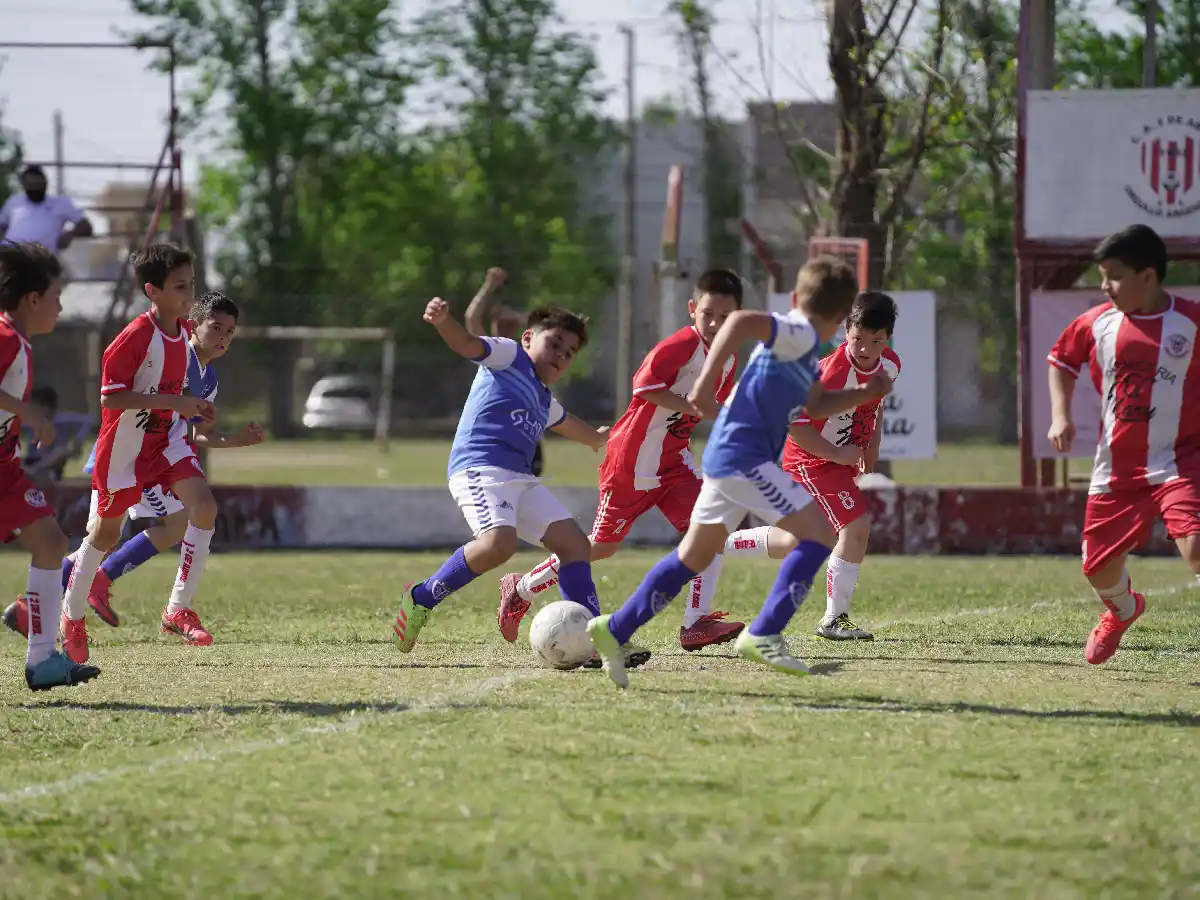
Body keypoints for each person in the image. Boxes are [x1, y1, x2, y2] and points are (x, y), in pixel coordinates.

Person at [586, 258, 892, 689]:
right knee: (821, 535)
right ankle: (765, 632)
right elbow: (742, 322)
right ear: (843, 319)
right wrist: (703, 385)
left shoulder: (803, 352)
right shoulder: (799, 330)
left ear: (794, 296)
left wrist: (863, 393)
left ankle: (614, 629)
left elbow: (814, 406)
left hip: (726, 459)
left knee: (693, 556)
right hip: (745, 459)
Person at [497, 269, 747, 653]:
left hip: (674, 462)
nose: (715, 324)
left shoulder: (728, 359)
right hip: (631, 461)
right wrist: (695, 406)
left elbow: (709, 409)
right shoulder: (680, 346)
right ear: (692, 309)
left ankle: (696, 622)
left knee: (709, 529)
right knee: (598, 547)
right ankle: (522, 588)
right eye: (708, 314)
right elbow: (644, 386)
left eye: (725, 317)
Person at [3, 290, 264, 636]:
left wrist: (234, 440)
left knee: (187, 517)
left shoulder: (208, 379)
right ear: (193, 326)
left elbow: (191, 432)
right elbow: (134, 403)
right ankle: (53, 601)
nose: (223, 337)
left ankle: (169, 607)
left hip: (162, 455)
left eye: (230, 332)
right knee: (108, 536)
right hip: (132, 453)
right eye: (216, 327)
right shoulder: (174, 353)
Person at [390, 298, 625, 659]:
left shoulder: (543, 397)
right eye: (555, 343)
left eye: (570, 352)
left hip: (520, 477)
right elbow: (468, 344)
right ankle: (421, 597)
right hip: (480, 468)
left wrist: (596, 439)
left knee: (576, 546)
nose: (561, 355)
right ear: (529, 337)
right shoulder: (509, 356)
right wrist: (443, 322)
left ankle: (597, 640)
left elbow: (566, 422)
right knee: (498, 545)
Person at [1047, 223, 1200, 664]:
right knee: (1097, 568)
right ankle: (1123, 609)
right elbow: (1060, 361)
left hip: (1181, 459)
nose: (1104, 286)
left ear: (1147, 276)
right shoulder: (1098, 324)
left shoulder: (1189, 323)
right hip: (1117, 466)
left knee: (1195, 548)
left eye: (1113, 275)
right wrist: (1061, 415)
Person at [57, 243, 217, 663]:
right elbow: (111, 400)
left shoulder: (183, 331)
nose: (189, 294)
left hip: (163, 444)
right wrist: (175, 403)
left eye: (192, 284)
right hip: (125, 449)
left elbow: (172, 391)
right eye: (181, 286)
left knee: (204, 508)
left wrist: (191, 404)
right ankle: (71, 616)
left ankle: (178, 608)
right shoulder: (134, 336)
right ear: (153, 290)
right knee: (104, 537)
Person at [723, 291, 901, 641]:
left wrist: (872, 444)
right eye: (857, 339)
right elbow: (797, 426)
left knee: (796, 541)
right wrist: (837, 455)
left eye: (875, 341)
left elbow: (876, 405)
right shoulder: (832, 374)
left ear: (887, 339)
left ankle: (719, 542)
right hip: (810, 458)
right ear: (845, 332)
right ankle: (834, 619)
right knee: (855, 527)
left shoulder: (891, 363)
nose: (865, 348)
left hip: (834, 458)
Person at [0, 241, 99, 690]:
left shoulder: (16, 340)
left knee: (51, 539)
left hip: (5, 468)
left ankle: (41, 662)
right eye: (56, 299)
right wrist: (29, 413)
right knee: (51, 539)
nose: (60, 309)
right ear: (32, 299)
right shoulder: (4, 337)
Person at [0, 165, 94, 252]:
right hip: (12, 255)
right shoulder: (14, 201)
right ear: (24, 186)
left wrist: (70, 235)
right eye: (31, 185)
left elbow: (86, 226)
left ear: (45, 184)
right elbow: (2, 225)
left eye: (37, 184)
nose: (35, 189)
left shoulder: (60, 203)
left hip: (43, 257)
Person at [21, 385, 93, 485]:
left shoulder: (60, 420)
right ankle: (30, 471)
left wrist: (78, 442)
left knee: (61, 451)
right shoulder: (31, 420)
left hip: (52, 463)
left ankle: (33, 471)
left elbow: (87, 420)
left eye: (33, 406)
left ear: (45, 407)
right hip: (31, 461)